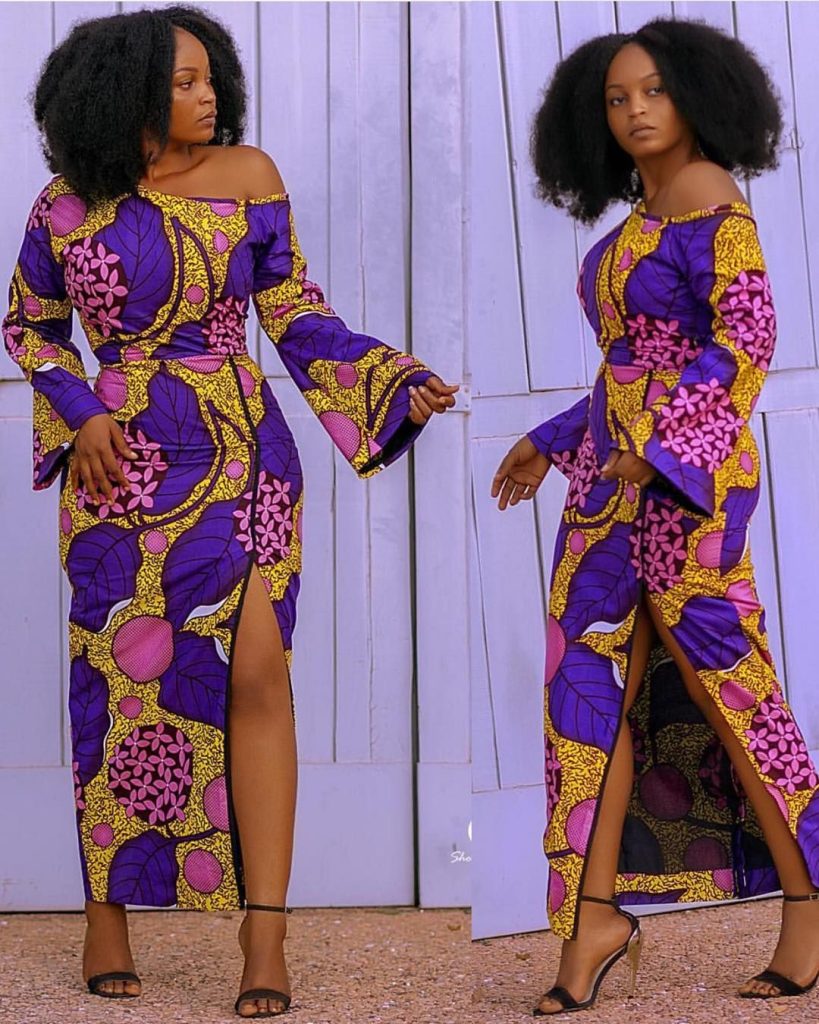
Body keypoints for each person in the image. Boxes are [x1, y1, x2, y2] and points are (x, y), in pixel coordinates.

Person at [2, 5, 458, 1018]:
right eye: (185, 82)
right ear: (126, 92)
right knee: (116, 680)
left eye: (212, 77)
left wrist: (387, 375)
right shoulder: (63, 205)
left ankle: (265, 936)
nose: (209, 96)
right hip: (120, 469)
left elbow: (292, 310)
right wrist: (79, 411)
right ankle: (106, 917)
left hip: (243, 454)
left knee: (257, 672)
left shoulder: (249, 175)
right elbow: (29, 327)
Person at [490, 16, 819, 1015]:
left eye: (654, 91)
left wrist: (666, 453)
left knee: (731, 691)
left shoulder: (712, 194)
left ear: (697, 97)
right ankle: (592, 919)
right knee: (584, 689)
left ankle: (809, 906)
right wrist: (554, 437)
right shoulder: (640, 215)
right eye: (616, 98)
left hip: (688, 490)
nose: (634, 110)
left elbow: (744, 341)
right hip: (606, 487)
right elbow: (630, 367)